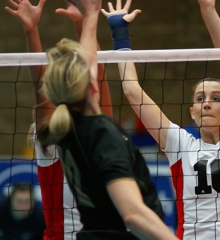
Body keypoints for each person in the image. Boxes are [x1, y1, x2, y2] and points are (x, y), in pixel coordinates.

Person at [36, 0, 179, 239]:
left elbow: (88, 61)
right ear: (91, 85)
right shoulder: (103, 136)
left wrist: (90, 18)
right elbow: (133, 215)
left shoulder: (68, 129)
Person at [105, 0, 220, 239]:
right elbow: (132, 92)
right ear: (192, 112)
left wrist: (208, 9)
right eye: (200, 98)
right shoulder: (181, 145)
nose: (206, 103)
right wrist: (120, 33)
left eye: (216, 98)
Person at [5, 0, 112, 239]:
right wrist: (31, 30)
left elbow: (98, 77)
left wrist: (83, 23)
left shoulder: (99, 131)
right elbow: (40, 89)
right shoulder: (51, 139)